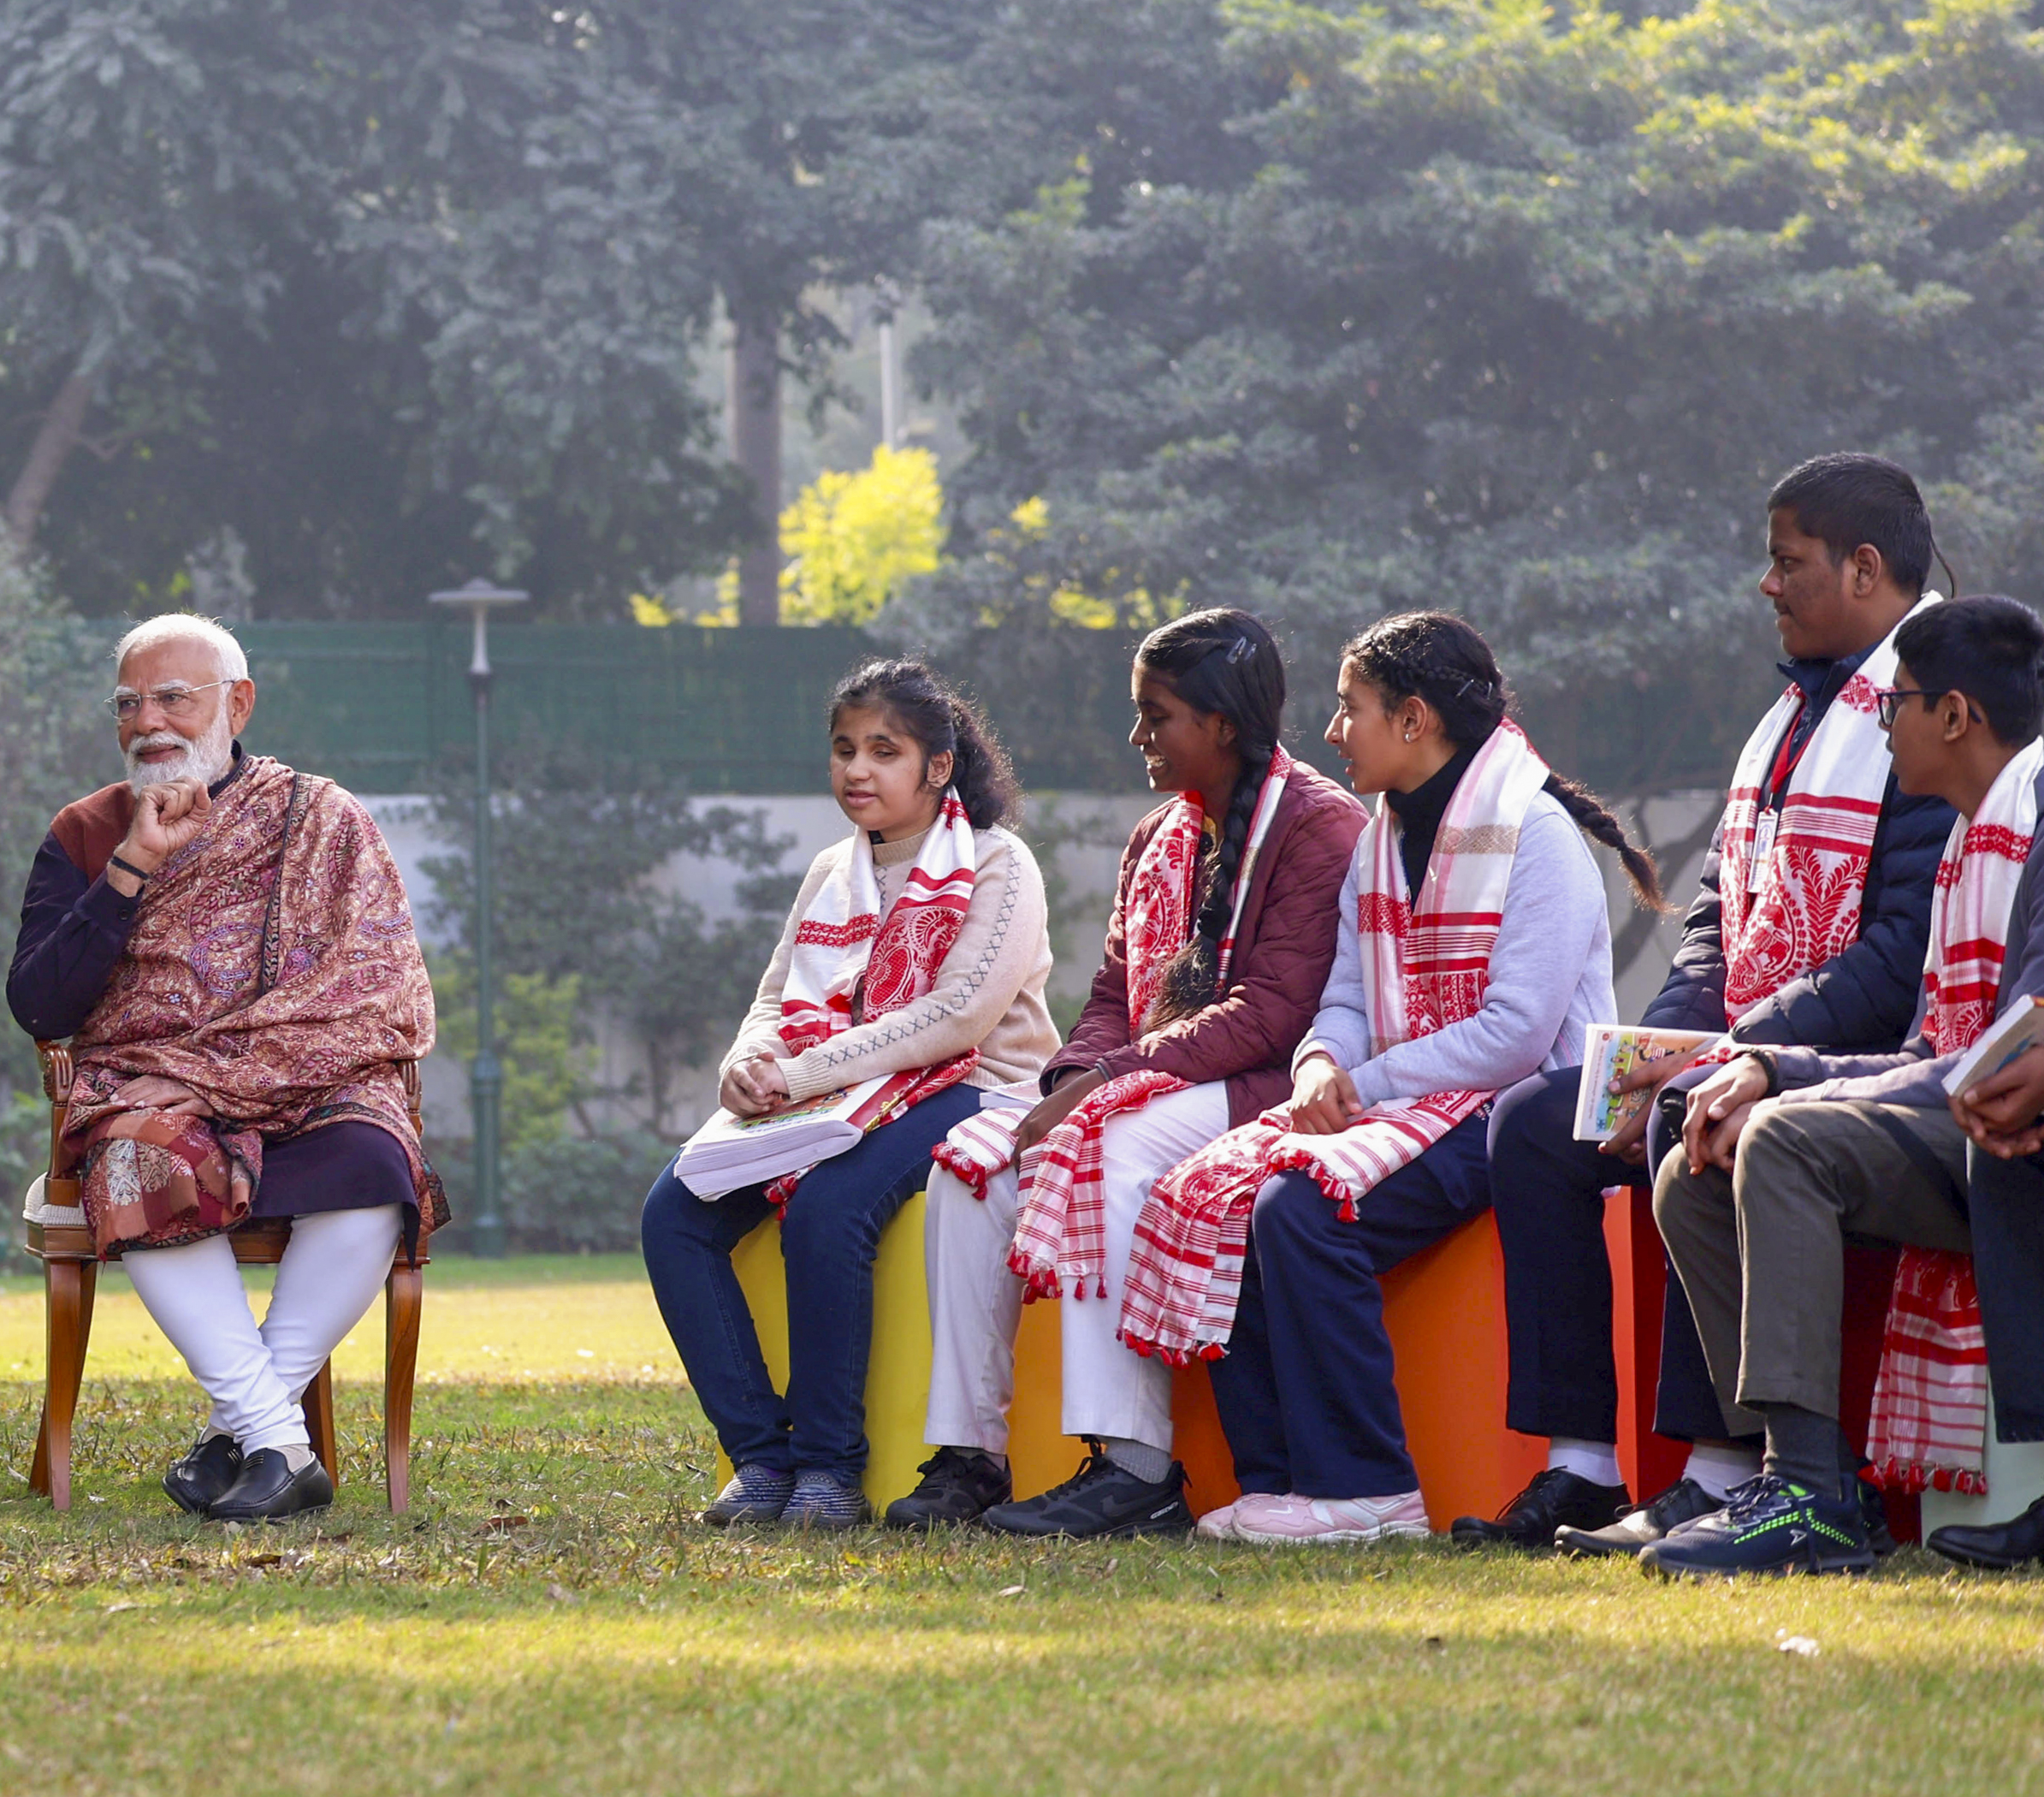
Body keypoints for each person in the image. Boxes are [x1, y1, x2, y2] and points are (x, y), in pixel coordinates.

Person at [1473, 456, 1955, 1554]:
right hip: (1755, 1035)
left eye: (1788, 563)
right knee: (1540, 1126)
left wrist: (1735, 1049)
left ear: (1864, 568)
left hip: (1866, 1056)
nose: (1766, 585)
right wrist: (1667, 1034)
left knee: (1696, 1110)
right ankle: (1582, 1463)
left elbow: (1898, 958)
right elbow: (1716, 916)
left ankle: (1721, 1466)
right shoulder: (1793, 711)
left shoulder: (1928, 707)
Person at [1128, 613, 1652, 1545]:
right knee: (1217, 1191)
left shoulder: (1536, 834)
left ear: (1414, 720)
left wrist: (1361, 1084)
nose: (1333, 731)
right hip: (1401, 1102)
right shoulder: (1380, 838)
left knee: (1301, 1207)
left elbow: (1517, 1036)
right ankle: (1283, 1483)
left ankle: (1367, 1487)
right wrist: (1322, 1063)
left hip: (1511, 1113)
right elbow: (1342, 998)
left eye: (1349, 709)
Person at [908, 610, 1363, 1536]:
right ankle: (968, 1457)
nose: (1138, 738)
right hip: (1155, 1076)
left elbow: (1274, 1014)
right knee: (970, 1160)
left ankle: (1136, 1466)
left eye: (1156, 716)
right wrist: (1068, 1074)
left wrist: (1104, 1082)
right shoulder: (1159, 830)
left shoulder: (1318, 824)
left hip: (1268, 1088)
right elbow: (1117, 988)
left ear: (1222, 726)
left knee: (1107, 1139)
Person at [9, 613, 446, 1524]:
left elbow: (377, 987)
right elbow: (42, 1006)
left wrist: (226, 1072)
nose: (148, 720)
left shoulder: (321, 820)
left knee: (374, 1160)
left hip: (310, 1087)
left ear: (237, 703)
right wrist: (131, 866)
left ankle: (243, 1436)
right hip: (154, 1100)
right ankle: (280, 1441)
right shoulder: (87, 833)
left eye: (174, 696)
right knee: (134, 1158)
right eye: (129, 703)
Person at [1638, 596, 2044, 1575]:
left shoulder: (2029, 818)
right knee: (1703, 1151)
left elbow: (2006, 1061)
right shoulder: (1967, 837)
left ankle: (1809, 1503)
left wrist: (1790, 1088)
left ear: (1954, 715)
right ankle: (1807, 1482)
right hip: (1969, 1119)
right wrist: (1767, 1065)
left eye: (1892, 704)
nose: (1878, 725)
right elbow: (1934, 1055)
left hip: (2015, 1137)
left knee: (1779, 1138)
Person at [646, 658, 1055, 1529]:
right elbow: (774, 997)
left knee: (830, 1208)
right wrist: (748, 1063)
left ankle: (829, 1470)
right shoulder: (835, 868)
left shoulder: (997, 862)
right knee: (674, 1209)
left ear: (937, 765)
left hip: (970, 1085)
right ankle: (761, 1458)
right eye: (843, 750)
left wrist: (799, 1073)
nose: (856, 771)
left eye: (883, 750)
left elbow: (957, 1017)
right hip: (827, 1092)